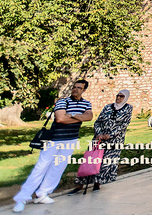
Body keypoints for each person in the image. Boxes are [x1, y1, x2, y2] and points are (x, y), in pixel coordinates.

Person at [13, 80, 93, 212]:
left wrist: (71, 115)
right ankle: (22, 198)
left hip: (71, 140)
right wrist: (80, 117)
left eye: (79, 88)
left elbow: (89, 117)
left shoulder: (86, 103)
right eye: (74, 87)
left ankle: (42, 193)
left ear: (84, 90)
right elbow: (60, 119)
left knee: (58, 167)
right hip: (54, 139)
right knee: (41, 167)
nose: (75, 90)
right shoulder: (63, 101)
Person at [69, 89, 132, 194]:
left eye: (121, 96)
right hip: (99, 139)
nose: (119, 98)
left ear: (125, 98)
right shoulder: (107, 107)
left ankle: (97, 184)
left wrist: (110, 135)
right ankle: (79, 185)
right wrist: (99, 134)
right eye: (118, 95)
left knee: (105, 163)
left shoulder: (128, 108)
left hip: (114, 141)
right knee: (90, 161)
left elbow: (123, 125)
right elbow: (98, 122)